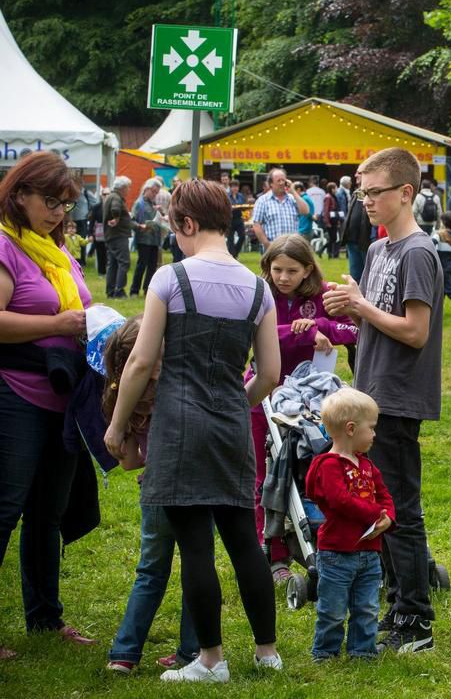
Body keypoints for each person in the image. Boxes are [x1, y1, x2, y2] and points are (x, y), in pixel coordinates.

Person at [103, 179, 282, 683]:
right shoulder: (258, 287)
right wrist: (231, 404)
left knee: (196, 548)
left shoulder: (168, 279)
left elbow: (140, 362)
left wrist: (118, 426)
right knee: (245, 542)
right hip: (230, 427)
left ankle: (210, 661)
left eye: (174, 228)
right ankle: (268, 652)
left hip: (179, 429)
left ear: (186, 223)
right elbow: (269, 374)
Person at [322, 147, 443, 654]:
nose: (364, 200)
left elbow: (415, 332)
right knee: (379, 508)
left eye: (373, 192)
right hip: (370, 393)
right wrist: (343, 315)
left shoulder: (417, 251)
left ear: (405, 193)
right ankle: (397, 606)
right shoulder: (377, 251)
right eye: (361, 191)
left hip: (397, 398)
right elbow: (373, 321)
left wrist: (362, 306)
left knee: (400, 513)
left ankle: (416, 622)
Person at [0, 152, 95, 658]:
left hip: (64, 397)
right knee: (4, 508)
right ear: (19, 196)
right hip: (14, 393)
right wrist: (57, 326)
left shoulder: (54, 249)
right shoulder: (5, 246)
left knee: (47, 514)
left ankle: (44, 617)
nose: (59, 212)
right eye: (50, 202)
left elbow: (76, 306)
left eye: (66, 204)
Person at [252, 234, 359, 580]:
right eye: (276, 269)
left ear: (307, 269)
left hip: (311, 400)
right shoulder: (259, 293)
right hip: (264, 393)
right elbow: (251, 332)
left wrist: (318, 326)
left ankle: (325, 539)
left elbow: (353, 328)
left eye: (291, 271)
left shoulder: (324, 293)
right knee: (262, 474)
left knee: (317, 468)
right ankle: (273, 553)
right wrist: (296, 333)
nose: (282, 278)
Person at [103, 316, 200, 676]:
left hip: (157, 490)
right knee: (197, 568)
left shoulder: (125, 398)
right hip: (197, 488)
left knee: (150, 572)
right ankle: (192, 653)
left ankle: (124, 653)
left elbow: (129, 462)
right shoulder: (185, 387)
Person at [306, 388, 395, 660]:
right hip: (337, 553)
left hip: (369, 552)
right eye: (372, 428)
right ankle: (325, 652)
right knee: (332, 609)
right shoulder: (328, 465)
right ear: (351, 428)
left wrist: (388, 516)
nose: (375, 434)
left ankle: (362, 651)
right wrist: (374, 513)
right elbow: (340, 500)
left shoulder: (367, 465)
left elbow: (384, 494)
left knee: (367, 607)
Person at [250, 169, 310, 247]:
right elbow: (256, 225)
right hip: (273, 247)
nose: (281, 183)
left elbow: (306, 211)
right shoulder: (262, 201)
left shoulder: (292, 198)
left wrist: (293, 191)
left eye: (283, 180)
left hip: (292, 247)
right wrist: (266, 244)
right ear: (271, 183)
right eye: (278, 181)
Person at [129, 178, 164, 297]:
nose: (155, 194)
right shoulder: (139, 203)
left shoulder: (153, 204)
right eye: (153, 191)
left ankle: (147, 290)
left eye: (156, 192)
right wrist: (140, 226)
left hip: (155, 239)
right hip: (144, 239)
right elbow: (131, 221)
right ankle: (134, 290)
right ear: (147, 189)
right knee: (141, 265)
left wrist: (160, 212)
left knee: (152, 266)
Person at [103, 175, 133, 298]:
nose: (129, 190)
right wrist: (116, 218)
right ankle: (119, 291)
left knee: (113, 263)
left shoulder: (110, 196)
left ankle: (110, 291)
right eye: (128, 187)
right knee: (123, 262)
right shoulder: (116, 197)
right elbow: (115, 208)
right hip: (118, 234)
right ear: (122, 187)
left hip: (111, 235)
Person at [342, 175, 375, 283]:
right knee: (355, 275)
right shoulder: (356, 193)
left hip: (365, 241)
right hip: (352, 240)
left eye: (359, 173)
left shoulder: (374, 193)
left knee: (368, 275)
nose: (355, 175)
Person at [322, 183, 341, 259]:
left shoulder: (334, 196)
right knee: (332, 238)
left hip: (334, 220)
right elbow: (326, 210)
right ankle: (329, 253)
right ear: (332, 189)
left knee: (333, 238)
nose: (336, 189)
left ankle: (324, 251)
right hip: (330, 221)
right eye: (335, 188)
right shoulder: (328, 197)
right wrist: (327, 222)